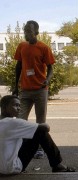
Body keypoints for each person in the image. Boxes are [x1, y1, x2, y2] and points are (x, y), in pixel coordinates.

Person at [0, 95, 75, 174]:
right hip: (10, 168)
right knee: (40, 132)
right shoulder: (13, 122)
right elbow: (45, 128)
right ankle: (57, 165)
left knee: (25, 135)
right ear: (4, 107)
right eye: (15, 105)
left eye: (19, 106)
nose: (19, 108)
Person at [13, 20, 55, 159]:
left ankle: (39, 148)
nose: (26, 34)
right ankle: (19, 147)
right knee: (20, 119)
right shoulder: (22, 46)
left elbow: (51, 68)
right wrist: (15, 87)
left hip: (40, 90)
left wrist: (47, 80)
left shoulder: (44, 47)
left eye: (29, 31)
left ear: (36, 32)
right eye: (25, 31)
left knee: (40, 121)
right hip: (25, 90)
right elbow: (18, 66)